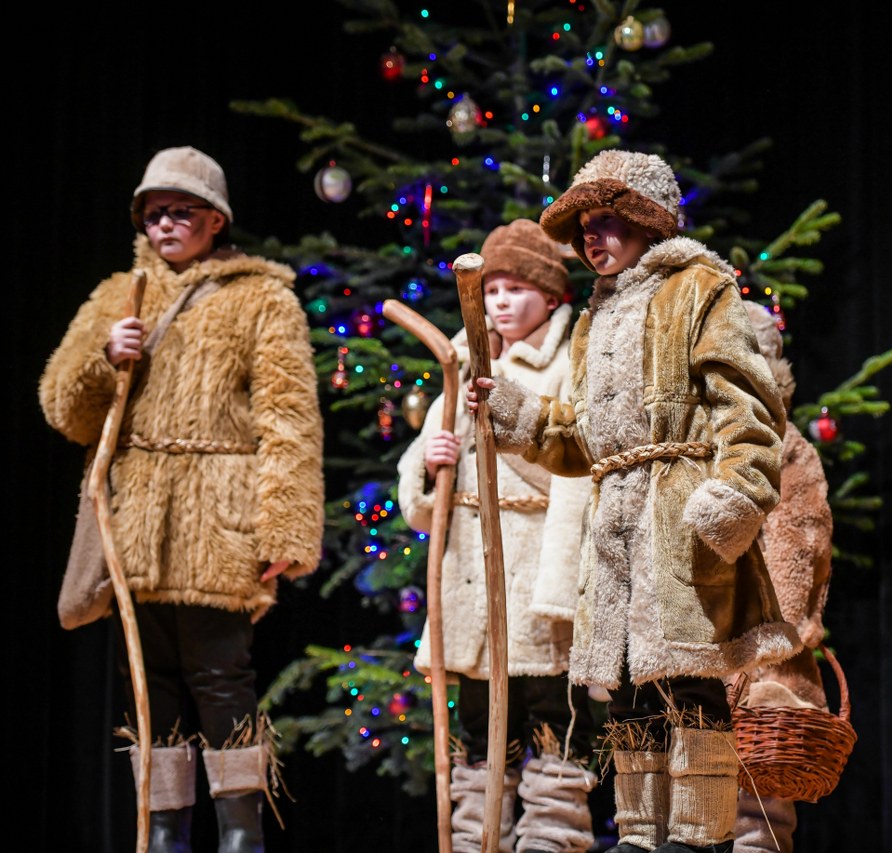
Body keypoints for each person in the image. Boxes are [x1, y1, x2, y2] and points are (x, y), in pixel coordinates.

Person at [466, 149, 802, 853]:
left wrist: (733, 496)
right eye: (585, 225)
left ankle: (700, 836)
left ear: (647, 220)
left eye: (608, 221)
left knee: (689, 686)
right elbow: (585, 438)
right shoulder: (598, 312)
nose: (593, 236)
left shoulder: (700, 287)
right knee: (626, 690)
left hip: (679, 515)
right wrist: (517, 411)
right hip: (614, 525)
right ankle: (643, 834)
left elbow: (748, 408)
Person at [39, 145, 325, 852]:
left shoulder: (262, 298)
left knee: (221, 677)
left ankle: (240, 832)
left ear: (215, 219)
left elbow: (288, 419)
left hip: (219, 517)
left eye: (181, 211)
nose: (165, 224)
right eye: (153, 212)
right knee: (151, 681)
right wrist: (103, 360)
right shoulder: (118, 296)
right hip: (136, 518)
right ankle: (164, 830)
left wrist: (285, 529)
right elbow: (63, 409)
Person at [396, 219, 598, 852]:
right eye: (493, 290)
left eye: (517, 289)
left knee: (549, 712)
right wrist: (431, 464)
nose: (502, 302)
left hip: (533, 564)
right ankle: (476, 836)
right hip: (470, 575)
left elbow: (576, 462)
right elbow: (421, 498)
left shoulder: (570, 363)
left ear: (551, 295)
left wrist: (505, 420)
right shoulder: (460, 361)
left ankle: (551, 837)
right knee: (480, 722)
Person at [730, 301, 835, 853]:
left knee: (759, 796)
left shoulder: (786, 446)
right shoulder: (696, 439)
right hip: (694, 643)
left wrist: (770, 637)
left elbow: (801, 542)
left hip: (761, 646)